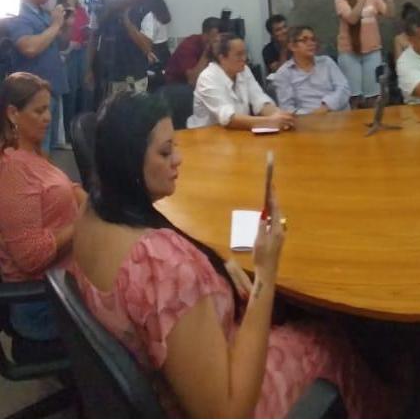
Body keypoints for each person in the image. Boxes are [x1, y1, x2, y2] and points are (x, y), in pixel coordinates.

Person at [70, 91, 399, 417]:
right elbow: (228, 412)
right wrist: (265, 276)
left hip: (170, 376)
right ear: (128, 164)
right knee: (328, 340)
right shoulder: (164, 265)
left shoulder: (91, 211)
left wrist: (218, 267)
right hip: (217, 396)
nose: (178, 159)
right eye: (165, 152)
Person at [0, 73, 85, 341]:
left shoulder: (31, 151)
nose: (48, 117)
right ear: (13, 113)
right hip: (43, 302)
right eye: (39, 110)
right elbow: (30, 256)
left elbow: (65, 186)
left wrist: (92, 201)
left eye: (49, 108)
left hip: (63, 284)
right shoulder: (12, 169)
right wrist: (83, 223)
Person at [6, 0, 68, 152]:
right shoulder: (18, 15)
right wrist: (56, 25)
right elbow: (29, 47)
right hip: (32, 96)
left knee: (48, 149)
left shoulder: (43, 13)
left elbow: (61, 45)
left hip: (51, 90)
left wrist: (64, 25)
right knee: (37, 148)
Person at [188, 34, 295, 130]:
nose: (244, 58)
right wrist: (270, 122)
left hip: (236, 133)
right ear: (222, 58)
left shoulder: (244, 70)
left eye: (245, 53)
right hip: (206, 137)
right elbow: (228, 118)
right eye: (239, 55)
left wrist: (280, 116)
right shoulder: (208, 77)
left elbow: (259, 100)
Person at [335, 0, 394, 108]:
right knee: (354, 97)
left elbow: (390, 14)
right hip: (349, 52)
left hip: (372, 50)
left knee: (373, 96)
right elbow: (352, 19)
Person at [271, 26, 350, 115]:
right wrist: (311, 116)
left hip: (336, 115)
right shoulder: (284, 73)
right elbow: (287, 108)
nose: (311, 43)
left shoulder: (326, 62)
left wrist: (326, 106)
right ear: (292, 46)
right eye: (304, 40)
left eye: (313, 39)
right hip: (305, 121)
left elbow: (343, 89)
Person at [58, 0, 91, 143]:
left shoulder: (81, 10)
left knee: (84, 90)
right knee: (70, 92)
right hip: (69, 54)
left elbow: (86, 28)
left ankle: (83, 129)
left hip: (82, 51)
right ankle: (69, 133)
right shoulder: (60, 11)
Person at [164, 17, 222, 86]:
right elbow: (192, 81)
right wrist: (208, 51)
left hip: (201, 81)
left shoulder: (222, 45)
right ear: (205, 36)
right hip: (177, 83)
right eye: (216, 38)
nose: (220, 41)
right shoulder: (188, 46)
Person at [137, 0, 172, 85]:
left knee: (153, 87)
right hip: (164, 52)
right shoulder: (160, 13)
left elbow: (147, 43)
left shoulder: (149, 16)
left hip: (154, 54)